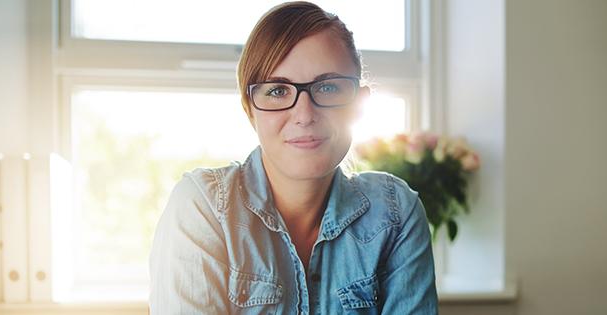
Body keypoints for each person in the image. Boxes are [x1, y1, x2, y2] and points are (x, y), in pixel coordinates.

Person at [149, 2, 438, 314]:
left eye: (327, 87)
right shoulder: (203, 207)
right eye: (277, 91)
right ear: (250, 109)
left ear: (360, 104)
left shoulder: (396, 213)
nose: (304, 114)